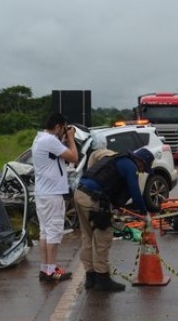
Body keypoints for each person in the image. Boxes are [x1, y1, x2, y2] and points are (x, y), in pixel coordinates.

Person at [74, 146, 155, 292]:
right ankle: (102, 279)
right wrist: (144, 214)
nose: (142, 171)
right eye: (144, 168)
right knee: (103, 237)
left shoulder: (115, 158)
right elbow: (135, 192)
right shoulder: (131, 167)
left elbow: (95, 154)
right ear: (141, 162)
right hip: (93, 199)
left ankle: (90, 277)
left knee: (87, 236)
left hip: (80, 193)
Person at [32, 112, 79, 283]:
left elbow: (59, 156)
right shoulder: (50, 140)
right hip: (52, 194)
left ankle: (45, 269)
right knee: (54, 232)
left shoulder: (40, 139)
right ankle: (52, 271)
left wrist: (64, 140)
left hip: (42, 193)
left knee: (45, 232)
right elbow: (74, 157)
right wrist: (71, 138)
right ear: (58, 127)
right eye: (63, 128)